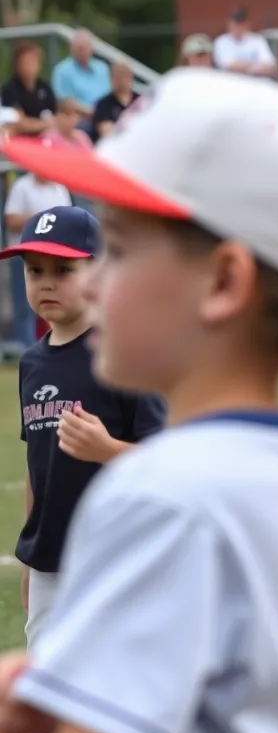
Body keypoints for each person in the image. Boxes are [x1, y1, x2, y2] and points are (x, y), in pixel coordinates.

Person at [0, 67, 278, 733]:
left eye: (118, 247)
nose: (90, 280)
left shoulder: (167, 493)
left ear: (224, 283)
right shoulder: (270, 460)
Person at [2, 205, 166, 647]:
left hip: (117, 558)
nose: (46, 281)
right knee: (51, 697)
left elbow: (169, 463)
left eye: (63, 269)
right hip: (49, 564)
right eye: (34, 270)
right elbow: (38, 470)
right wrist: (31, 560)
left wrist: (106, 448)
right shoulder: (33, 362)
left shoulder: (124, 353)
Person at [4, 174, 73, 352]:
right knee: (24, 307)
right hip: (25, 255)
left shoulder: (59, 188)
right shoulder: (22, 186)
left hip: (54, 255)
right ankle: (26, 350)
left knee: (56, 303)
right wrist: (43, 217)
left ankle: (55, 347)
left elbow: (69, 223)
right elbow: (11, 220)